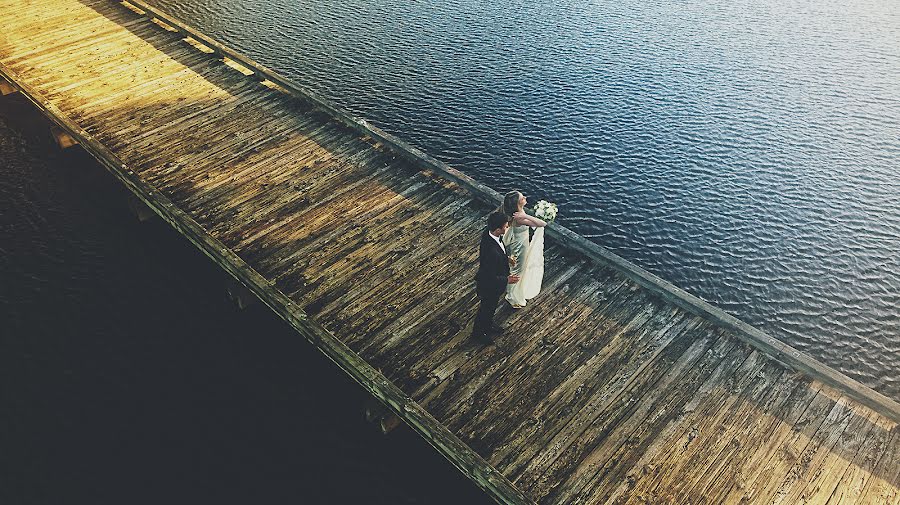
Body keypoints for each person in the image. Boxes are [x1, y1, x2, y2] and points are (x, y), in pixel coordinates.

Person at [473, 211, 520, 344]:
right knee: (485, 310)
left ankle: (488, 325)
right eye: (505, 226)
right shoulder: (491, 253)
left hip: (493, 283)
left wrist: (507, 258)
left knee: (490, 309)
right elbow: (489, 277)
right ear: (498, 229)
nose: (507, 228)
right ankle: (478, 334)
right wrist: (507, 280)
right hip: (489, 287)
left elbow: (499, 253)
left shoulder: (488, 235)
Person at [500, 191, 547, 308]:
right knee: (517, 271)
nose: (525, 197)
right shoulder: (520, 218)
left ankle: (512, 292)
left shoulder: (517, 213)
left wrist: (525, 215)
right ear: (517, 203)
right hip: (520, 246)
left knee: (516, 269)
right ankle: (512, 296)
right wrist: (527, 216)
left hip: (519, 241)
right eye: (522, 198)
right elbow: (542, 224)